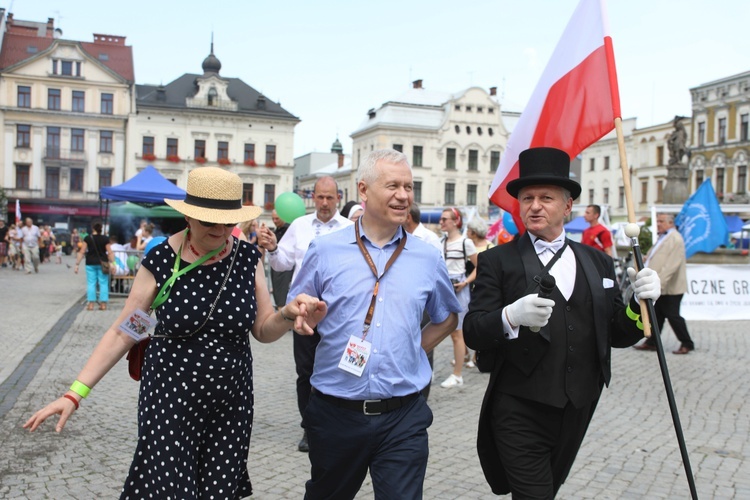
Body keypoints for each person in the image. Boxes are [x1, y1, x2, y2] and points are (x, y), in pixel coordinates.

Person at [25, 166, 324, 499]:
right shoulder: (162, 261)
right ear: (189, 217)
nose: (221, 230)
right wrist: (74, 394)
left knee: (218, 492)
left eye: (228, 222)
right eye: (209, 221)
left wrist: (286, 313)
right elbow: (124, 333)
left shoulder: (248, 258)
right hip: (170, 401)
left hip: (230, 405)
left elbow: (263, 330)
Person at [463, 147, 661, 498]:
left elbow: (616, 331)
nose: (534, 206)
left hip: (577, 408)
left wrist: (639, 303)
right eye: (527, 198)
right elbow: (474, 330)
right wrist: (510, 316)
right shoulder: (498, 261)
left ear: (568, 206)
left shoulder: (597, 262)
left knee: (547, 491)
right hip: (519, 408)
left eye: (545, 198)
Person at [288, 148, 461, 499]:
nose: (403, 196)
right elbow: (296, 308)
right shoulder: (324, 250)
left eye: (409, 187)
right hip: (336, 412)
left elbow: (447, 318)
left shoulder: (428, 257)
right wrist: (300, 317)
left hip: (403, 416)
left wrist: (414, 347)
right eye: (393, 186)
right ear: (364, 191)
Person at [257, 175, 353, 452]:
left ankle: (339, 425)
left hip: (339, 314)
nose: (324, 203)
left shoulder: (350, 228)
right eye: (320, 197)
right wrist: (273, 248)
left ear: (338, 199)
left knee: (342, 369)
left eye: (329, 197)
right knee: (306, 372)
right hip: (304, 313)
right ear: (315, 198)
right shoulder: (299, 226)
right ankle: (310, 428)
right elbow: (282, 263)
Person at [635, 213, 695, 354]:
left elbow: (671, 265)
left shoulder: (675, 238)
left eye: (661, 221)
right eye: (657, 221)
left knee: (673, 315)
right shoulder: (663, 237)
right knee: (657, 314)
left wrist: (659, 284)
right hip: (661, 284)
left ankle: (687, 342)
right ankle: (652, 342)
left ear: (670, 223)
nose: (658, 223)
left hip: (670, 287)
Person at [403, 202, 443, 400]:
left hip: (424, 302)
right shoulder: (398, 235)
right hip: (403, 301)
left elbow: (437, 274)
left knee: (424, 350)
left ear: (408, 216)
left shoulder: (429, 238)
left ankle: (421, 398)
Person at [438, 207, 477, 388]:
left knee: (457, 333)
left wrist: (466, 282)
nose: (441, 222)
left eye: (445, 219)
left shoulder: (465, 242)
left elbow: (479, 267)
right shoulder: (441, 241)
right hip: (445, 287)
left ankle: (458, 374)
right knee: (446, 330)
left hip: (460, 288)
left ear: (455, 221)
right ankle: (465, 357)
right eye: (442, 219)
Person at [74, 221, 114, 311]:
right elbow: (110, 252)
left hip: (90, 263)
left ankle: (91, 304)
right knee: (103, 283)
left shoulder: (88, 238)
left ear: (93, 228)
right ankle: (103, 304)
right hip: (103, 264)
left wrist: (77, 264)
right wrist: (114, 264)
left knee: (91, 283)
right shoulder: (105, 239)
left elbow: (82, 251)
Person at [269, 209, 293, 311]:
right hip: (276, 267)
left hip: (284, 268)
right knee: (278, 294)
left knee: (282, 296)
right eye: (273, 218)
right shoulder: (276, 230)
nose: (274, 221)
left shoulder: (289, 229)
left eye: (277, 218)